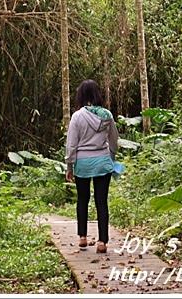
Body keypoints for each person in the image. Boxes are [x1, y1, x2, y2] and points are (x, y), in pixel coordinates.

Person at [65, 79, 119, 253]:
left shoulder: (77, 116)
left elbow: (71, 144)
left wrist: (69, 166)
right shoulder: (107, 115)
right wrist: (111, 157)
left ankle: (82, 237)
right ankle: (102, 242)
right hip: (102, 161)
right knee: (101, 202)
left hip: (83, 163)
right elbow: (113, 140)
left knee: (83, 199)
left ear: (81, 95)